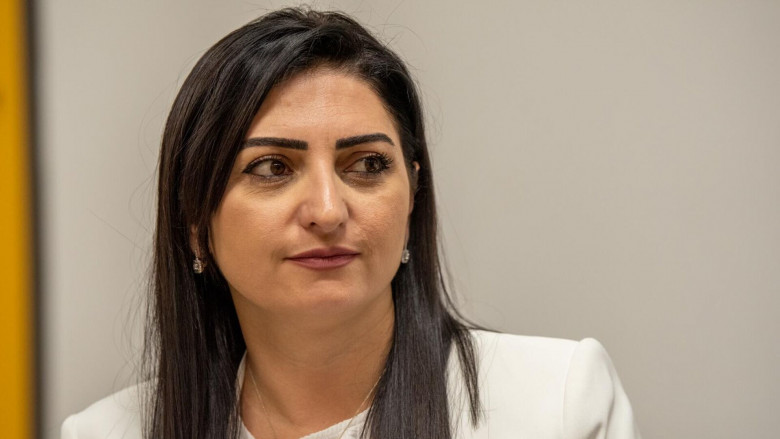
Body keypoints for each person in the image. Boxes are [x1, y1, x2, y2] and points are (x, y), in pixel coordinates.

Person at [62, 7, 641, 439]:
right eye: (272, 167)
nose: (328, 210)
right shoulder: (105, 433)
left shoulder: (558, 402)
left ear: (412, 195)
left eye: (367, 165)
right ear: (195, 220)